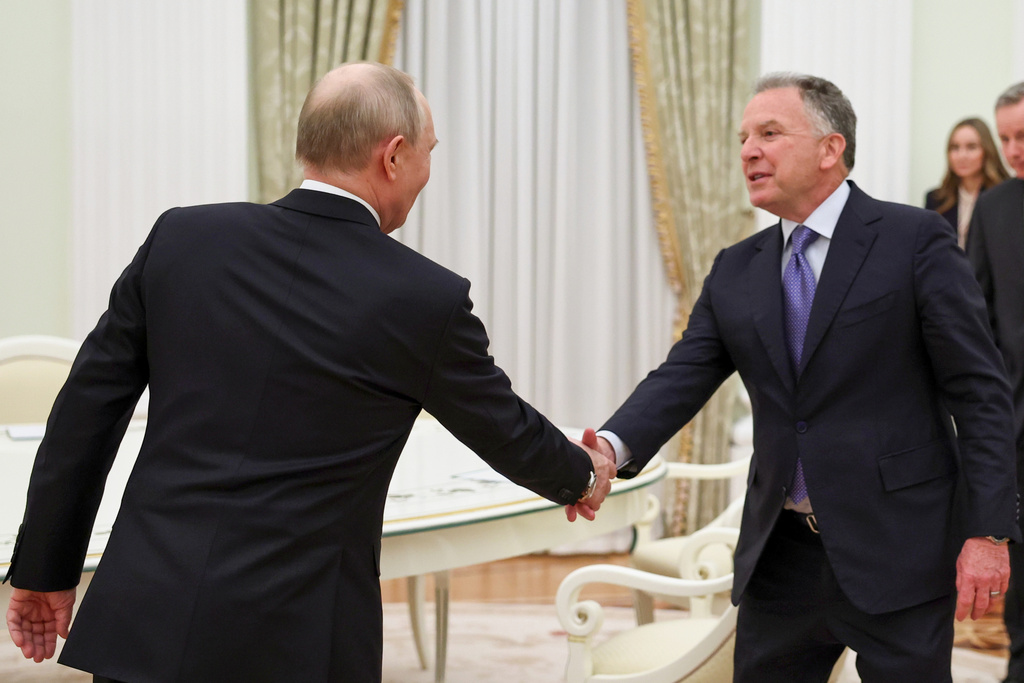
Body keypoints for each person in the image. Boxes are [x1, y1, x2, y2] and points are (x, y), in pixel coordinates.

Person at [3, 62, 616, 683]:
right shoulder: (424, 299)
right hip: (297, 641)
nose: (429, 171)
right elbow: (504, 429)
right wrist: (581, 475)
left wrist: (43, 569)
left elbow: (84, 414)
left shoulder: (183, 239)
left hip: (146, 620)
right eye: (430, 152)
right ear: (395, 156)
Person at [581, 72, 1018, 682]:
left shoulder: (914, 240)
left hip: (898, 547)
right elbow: (682, 374)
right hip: (780, 557)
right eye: (742, 138)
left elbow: (981, 395)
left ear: (830, 148)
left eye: (769, 133)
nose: (748, 151)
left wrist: (989, 533)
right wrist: (609, 446)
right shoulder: (736, 269)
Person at [966, 81, 1024, 683]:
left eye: (1023, 136)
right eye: (1004, 137)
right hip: (1018, 429)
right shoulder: (995, 208)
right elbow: (977, 318)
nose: (1012, 149)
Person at [924, 117, 1009, 248]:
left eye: (971, 147)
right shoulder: (935, 199)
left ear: (987, 151)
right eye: (955, 147)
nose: (962, 155)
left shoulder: (1005, 196)